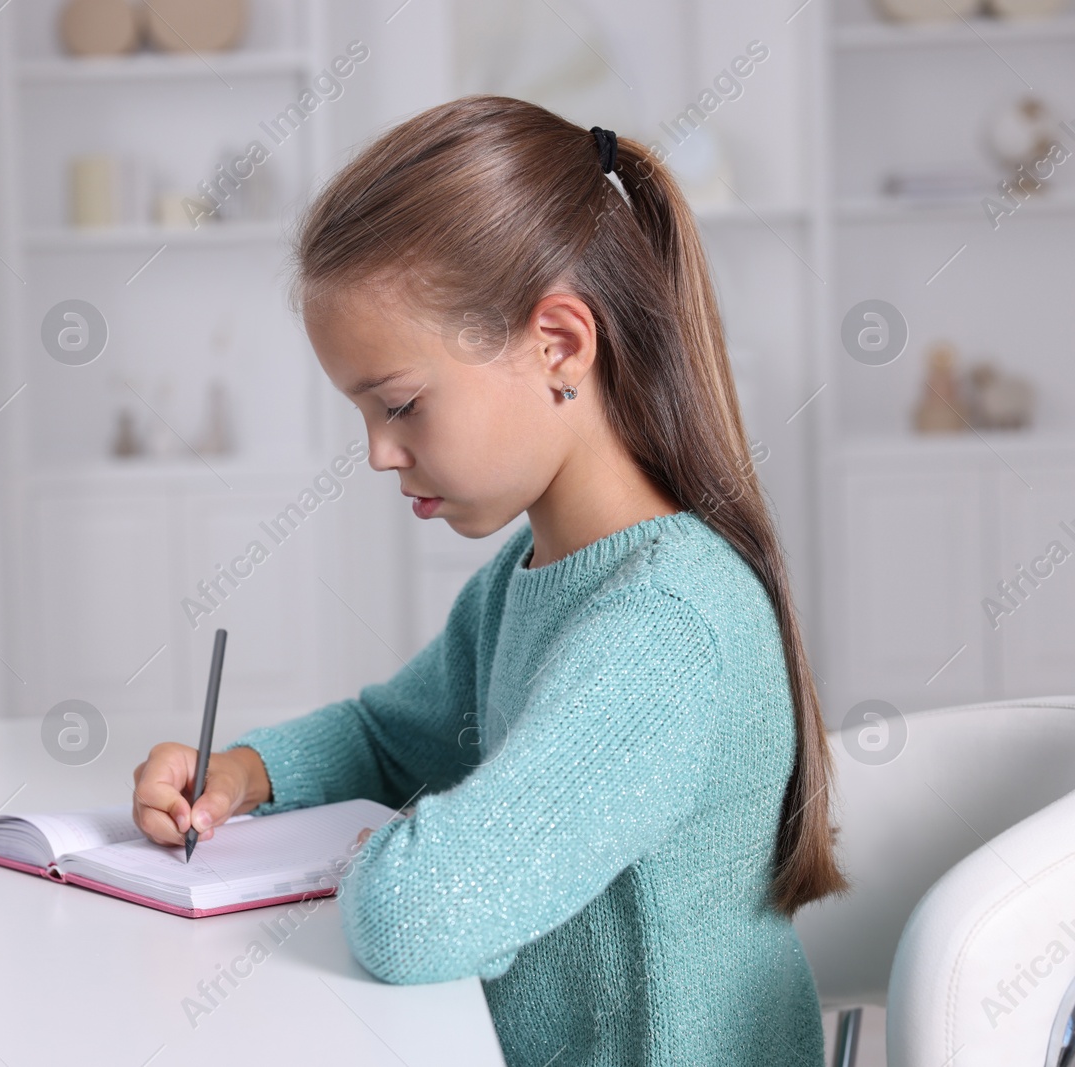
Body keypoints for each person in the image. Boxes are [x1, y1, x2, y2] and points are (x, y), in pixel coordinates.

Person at [131, 95, 848, 1066]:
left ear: (557, 344)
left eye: (399, 404)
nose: (380, 453)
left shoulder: (662, 626)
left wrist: (393, 846)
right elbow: (392, 736)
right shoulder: (527, 576)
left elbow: (415, 914)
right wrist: (243, 772)